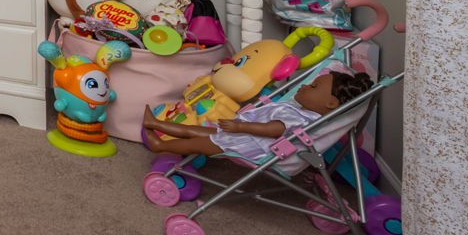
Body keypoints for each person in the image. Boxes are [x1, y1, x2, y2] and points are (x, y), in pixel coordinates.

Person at [143, 69, 374, 159]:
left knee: (196, 143)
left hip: (245, 142)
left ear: (331, 103)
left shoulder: (304, 120)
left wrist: (241, 127)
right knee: (197, 131)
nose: (303, 87)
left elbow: (275, 130)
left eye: (313, 87)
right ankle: (158, 124)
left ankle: (160, 146)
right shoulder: (301, 110)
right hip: (239, 133)